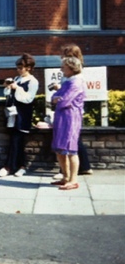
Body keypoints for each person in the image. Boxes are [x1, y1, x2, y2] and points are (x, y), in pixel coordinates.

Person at [51, 43, 92, 180]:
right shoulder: (69, 81)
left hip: (71, 117)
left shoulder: (76, 82)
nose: (61, 69)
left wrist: (58, 99)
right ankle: (65, 176)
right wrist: (56, 98)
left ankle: (73, 179)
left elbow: (64, 100)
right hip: (62, 117)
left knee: (71, 149)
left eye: (64, 66)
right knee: (61, 148)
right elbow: (55, 97)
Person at [0, 54, 39, 177]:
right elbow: (9, 95)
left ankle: (9, 167)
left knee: (18, 140)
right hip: (13, 113)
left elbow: (28, 99)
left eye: (21, 67)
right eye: (17, 67)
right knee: (15, 140)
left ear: (28, 68)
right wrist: (8, 86)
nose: (18, 70)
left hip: (23, 114)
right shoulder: (17, 78)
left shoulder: (33, 81)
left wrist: (17, 88)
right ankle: (20, 166)